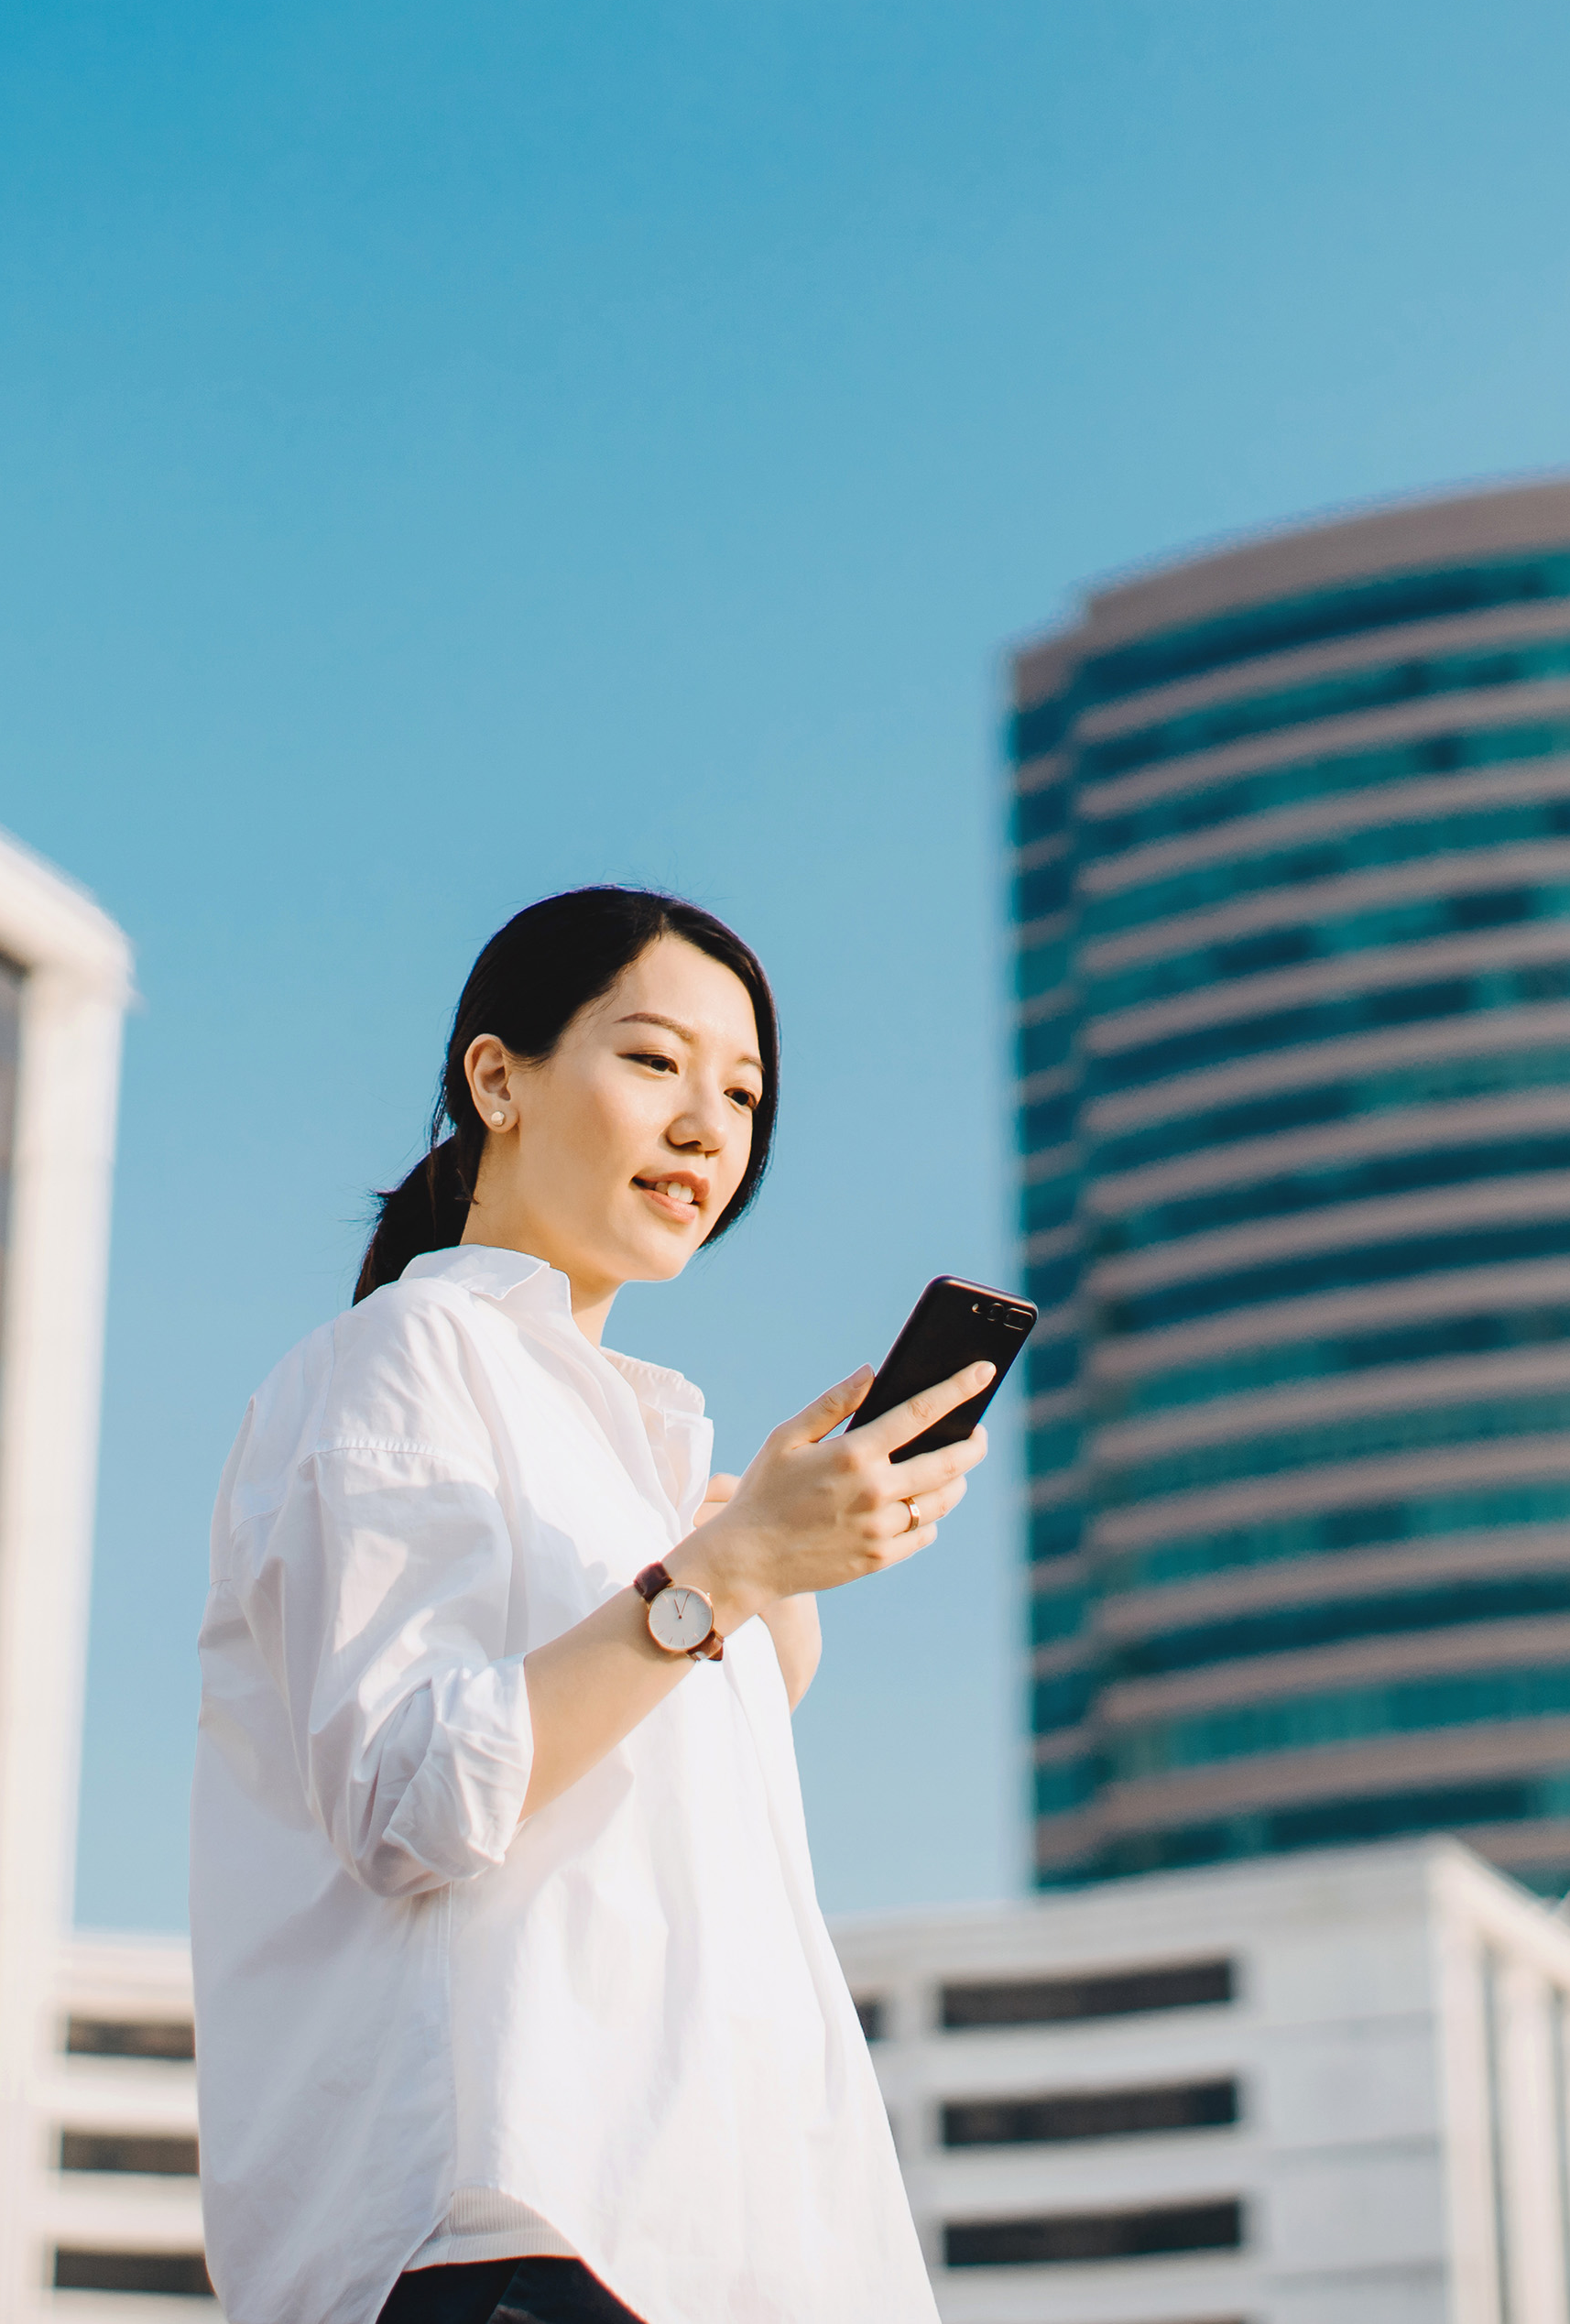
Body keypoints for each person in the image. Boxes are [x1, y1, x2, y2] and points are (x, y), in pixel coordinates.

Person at [189, 887, 991, 2324]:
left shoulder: (659, 1470)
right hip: (509, 2241)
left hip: (734, 2260)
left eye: (743, 1092)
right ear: (498, 1078)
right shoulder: (402, 1358)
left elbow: (642, 1824)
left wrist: (766, 1567)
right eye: (653, 1061)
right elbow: (406, 1795)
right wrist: (726, 1573)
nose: (708, 1125)